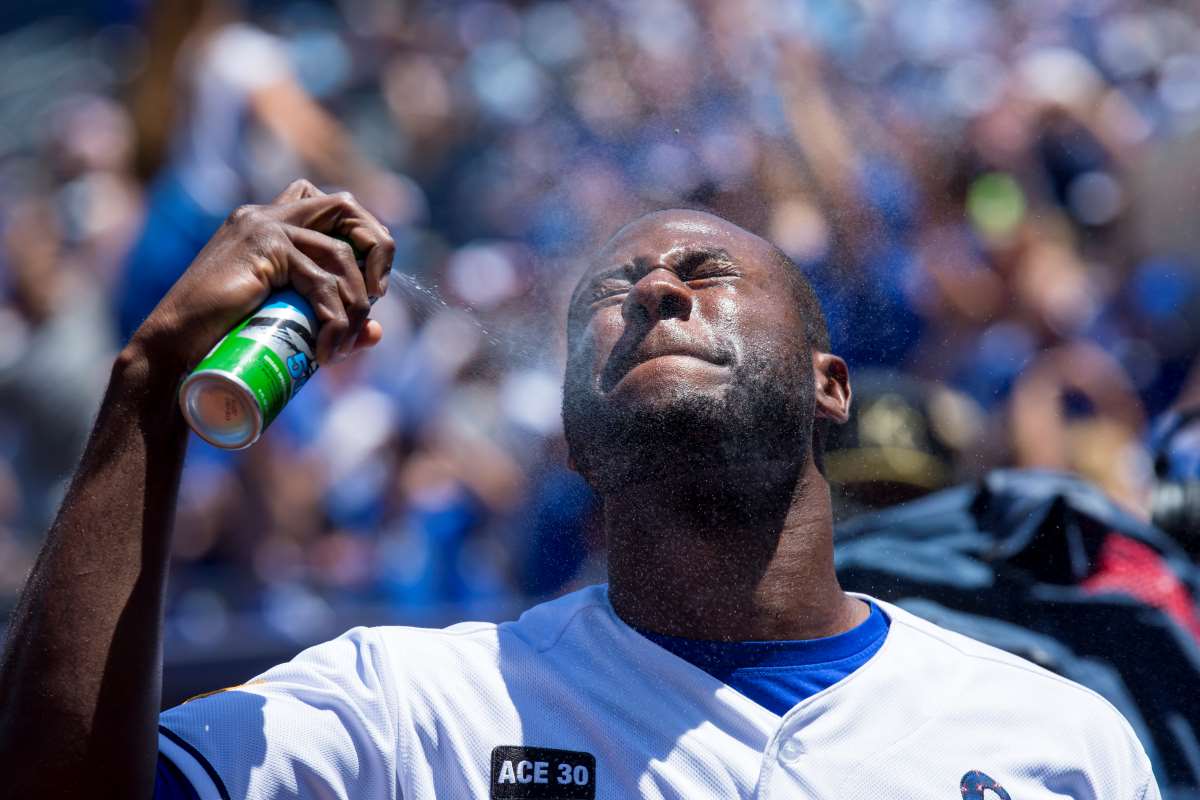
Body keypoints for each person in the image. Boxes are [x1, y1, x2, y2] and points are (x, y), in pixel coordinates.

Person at [0, 183, 1160, 799]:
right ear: (570, 437)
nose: (657, 288)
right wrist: (148, 383)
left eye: (705, 272)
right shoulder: (410, 710)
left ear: (830, 386)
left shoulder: (1055, 736)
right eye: (615, 285)